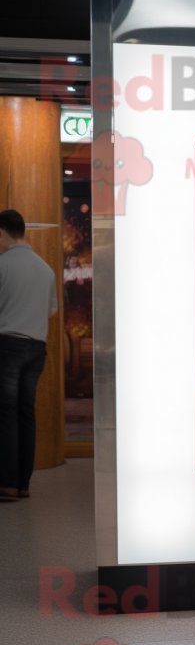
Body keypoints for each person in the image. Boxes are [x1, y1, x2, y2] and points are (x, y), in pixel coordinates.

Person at [0, 210, 57, 502]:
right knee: (26, 413)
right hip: (37, 348)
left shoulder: (2, 265)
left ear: (2, 232)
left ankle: (7, 484)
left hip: (8, 345)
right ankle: (23, 483)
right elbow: (51, 309)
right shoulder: (45, 269)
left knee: (6, 414)